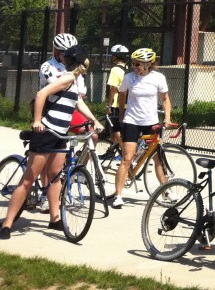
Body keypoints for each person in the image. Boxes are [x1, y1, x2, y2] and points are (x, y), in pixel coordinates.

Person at [1, 45, 101, 239]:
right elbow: (41, 94)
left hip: (60, 135)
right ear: (82, 63)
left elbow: (78, 104)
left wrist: (94, 121)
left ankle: (55, 218)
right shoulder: (67, 78)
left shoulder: (74, 80)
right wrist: (37, 120)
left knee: (55, 177)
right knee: (29, 179)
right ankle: (7, 224)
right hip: (47, 132)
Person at [109, 47, 173, 208]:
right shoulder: (129, 78)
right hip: (132, 121)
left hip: (151, 122)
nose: (135, 66)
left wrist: (167, 118)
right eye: (134, 63)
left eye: (139, 64)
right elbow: (122, 95)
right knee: (127, 158)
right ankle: (118, 195)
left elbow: (165, 99)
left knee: (157, 157)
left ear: (148, 64)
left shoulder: (158, 78)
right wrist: (122, 115)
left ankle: (165, 191)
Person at [104, 44, 129, 154]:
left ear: (115, 56)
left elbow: (113, 88)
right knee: (116, 130)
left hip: (116, 104)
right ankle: (111, 151)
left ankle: (124, 152)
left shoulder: (115, 69)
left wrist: (109, 104)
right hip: (126, 103)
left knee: (116, 128)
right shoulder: (127, 68)